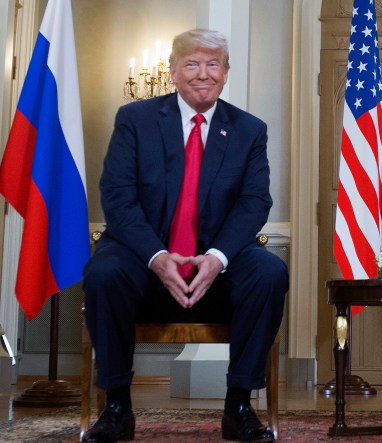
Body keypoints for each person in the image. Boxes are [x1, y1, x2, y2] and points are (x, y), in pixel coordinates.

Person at [82, 29, 288, 443]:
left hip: (217, 269)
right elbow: (118, 199)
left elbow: (254, 202)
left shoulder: (249, 130)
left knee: (269, 273)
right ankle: (117, 407)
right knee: (103, 272)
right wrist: (157, 256)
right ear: (173, 72)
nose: (203, 74)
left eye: (213, 64)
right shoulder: (135, 120)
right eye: (192, 64)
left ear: (226, 74)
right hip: (145, 262)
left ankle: (239, 408)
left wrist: (216, 257)